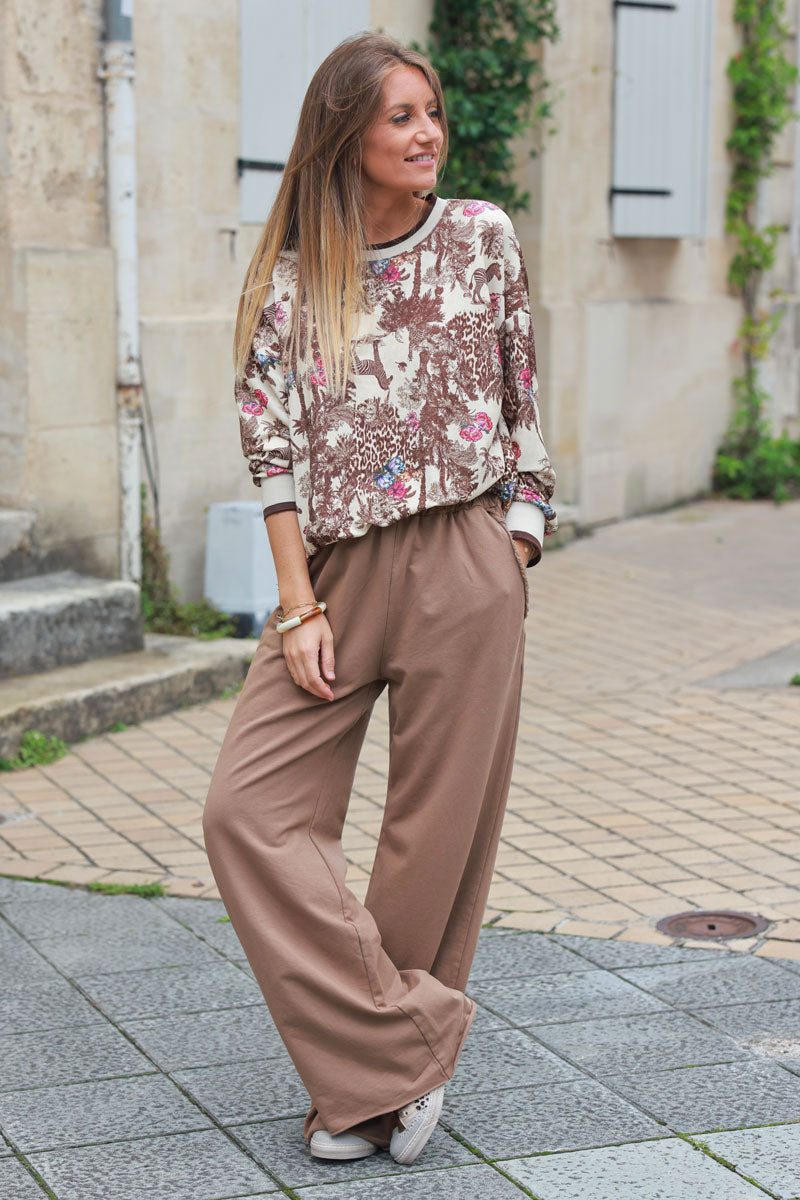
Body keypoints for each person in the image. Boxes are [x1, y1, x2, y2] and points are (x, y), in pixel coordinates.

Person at [202, 30, 557, 1167]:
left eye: (431, 112)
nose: (426, 134)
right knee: (247, 815)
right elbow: (272, 454)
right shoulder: (298, 274)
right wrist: (297, 607)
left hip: (465, 558)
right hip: (338, 576)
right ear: (345, 133)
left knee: (430, 837)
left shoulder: (480, 237)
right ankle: (403, 1048)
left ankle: (362, 1094)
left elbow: (521, 394)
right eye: (399, 116)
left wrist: (516, 539)